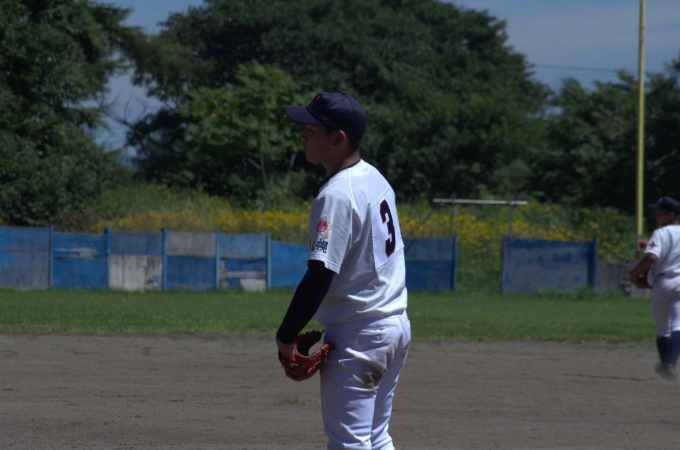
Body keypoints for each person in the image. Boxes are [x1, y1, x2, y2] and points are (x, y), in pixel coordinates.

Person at [275, 92, 411, 449]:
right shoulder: (375, 178)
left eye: (312, 129)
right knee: (376, 438)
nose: (303, 134)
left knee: (349, 443)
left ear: (338, 138)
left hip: (359, 332)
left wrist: (285, 337)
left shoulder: (336, 194)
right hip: (394, 324)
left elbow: (321, 274)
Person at [629, 196, 680, 381]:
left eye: (660, 212)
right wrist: (647, 246)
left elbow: (652, 257)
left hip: (664, 282)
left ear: (671, 215)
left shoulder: (660, 233)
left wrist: (634, 273)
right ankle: (670, 363)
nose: (656, 214)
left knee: (663, 328)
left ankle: (665, 364)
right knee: (678, 325)